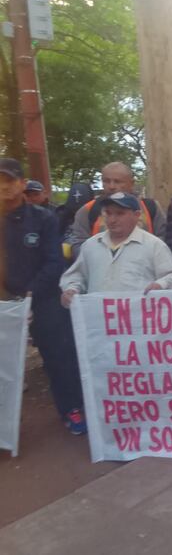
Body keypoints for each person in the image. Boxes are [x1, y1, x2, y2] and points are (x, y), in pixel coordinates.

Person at [1, 158, 85, 434]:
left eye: (9, 180)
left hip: (42, 296)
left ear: (22, 184)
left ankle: (72, 409)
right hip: (4, 301)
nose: (3, 187)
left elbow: (54, 263)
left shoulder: (44, 218)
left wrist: (29, 296)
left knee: (59, 355)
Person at [60, 192, 172, 303]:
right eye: (108, 213)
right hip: (100, 322)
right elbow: (77, 275)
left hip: (139, 322)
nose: (112, 219)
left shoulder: (154, 245)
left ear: (137, 215)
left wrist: (160, 285)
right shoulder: (91, 245)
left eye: (120, 213)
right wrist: (71, 289)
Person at [69, 161, 166, 256]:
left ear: (131, 183)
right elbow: (78, 243)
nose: (111, 186)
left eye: (117, 181)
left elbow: (163, 238)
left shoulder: (151, 207)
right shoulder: (87, 210)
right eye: (106, 181)